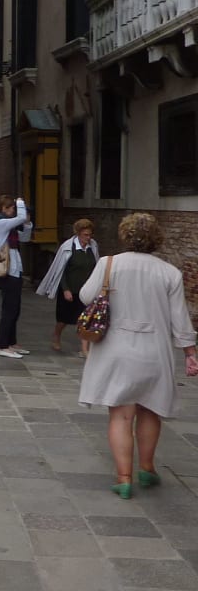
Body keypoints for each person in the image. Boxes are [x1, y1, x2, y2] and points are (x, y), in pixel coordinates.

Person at [78, 213, 198, 500]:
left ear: (125, 235)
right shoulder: (169, 273)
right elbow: (179, 319)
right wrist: (190, 352)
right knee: (150, 409)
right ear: (156, 239)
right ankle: (146, 467)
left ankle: (123, 478)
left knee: (120, 415)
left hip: (116, 349)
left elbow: (86, 296)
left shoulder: (109, 264)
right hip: (154, 350)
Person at [35, 218, 99, 356]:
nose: (88, 238)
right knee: (64, 319)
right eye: (85, 235)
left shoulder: (93, 246)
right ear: (78, 234)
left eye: (90, 235)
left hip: (85, 290)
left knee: (85, 319)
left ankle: (84, 348)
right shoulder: (67, 247)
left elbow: (95, 266)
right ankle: (56, 335)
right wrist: (65, 289)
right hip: (70, 288)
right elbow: (61, 270)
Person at [0, 195, 33, 359]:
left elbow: (25, 237)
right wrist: (21, 202)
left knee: (15, 308)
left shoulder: (11, 227)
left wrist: (28, 223)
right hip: (7, 271)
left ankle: (11, 342)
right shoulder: (0, 223)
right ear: (3, 209)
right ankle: (2, 345)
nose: (13, 212)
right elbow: (21, 217)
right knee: (8, 310)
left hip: (16, 269)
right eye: (11, 209)